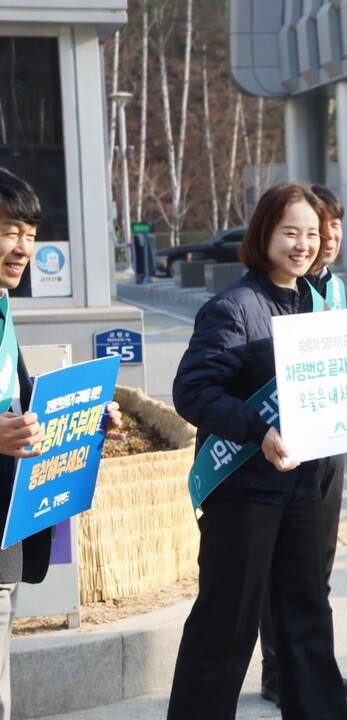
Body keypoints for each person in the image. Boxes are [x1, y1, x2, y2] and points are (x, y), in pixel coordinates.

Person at [168, 183, 347, 720]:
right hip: (243, 492)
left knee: (307, 621)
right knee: (226, 625)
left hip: (298, 490)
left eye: (312, 234)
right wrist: (256, 430)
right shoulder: (234, 307)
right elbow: (194, 391)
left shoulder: (311, 303)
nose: (303, 244)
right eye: (290, 232)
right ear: (264, 234)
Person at [256, 184, 347, 706]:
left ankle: (313, 664)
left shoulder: (331, 290)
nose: (325, 239)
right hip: (285, 447)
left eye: (329, 229)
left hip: (326, 450)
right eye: (312, 229)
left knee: (319, 563)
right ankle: (279, 670)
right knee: (284, 567)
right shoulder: (275, 294)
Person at [0, 167, 123, 720]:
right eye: (8, 230)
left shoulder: (4, 311)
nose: (23, 247)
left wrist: (87, 415)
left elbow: (23, 402)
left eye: (29, 232)